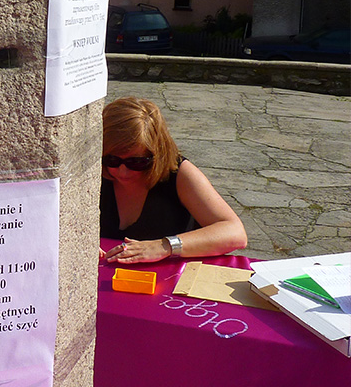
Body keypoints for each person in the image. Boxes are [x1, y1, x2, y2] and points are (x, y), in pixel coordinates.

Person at [100, 97, 247, 263]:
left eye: (137, 162)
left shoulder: (178, 173)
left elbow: (235, 233)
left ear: (157, 154)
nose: (123, 171)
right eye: (112, 160)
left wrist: (165, 246)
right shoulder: (92, 173)